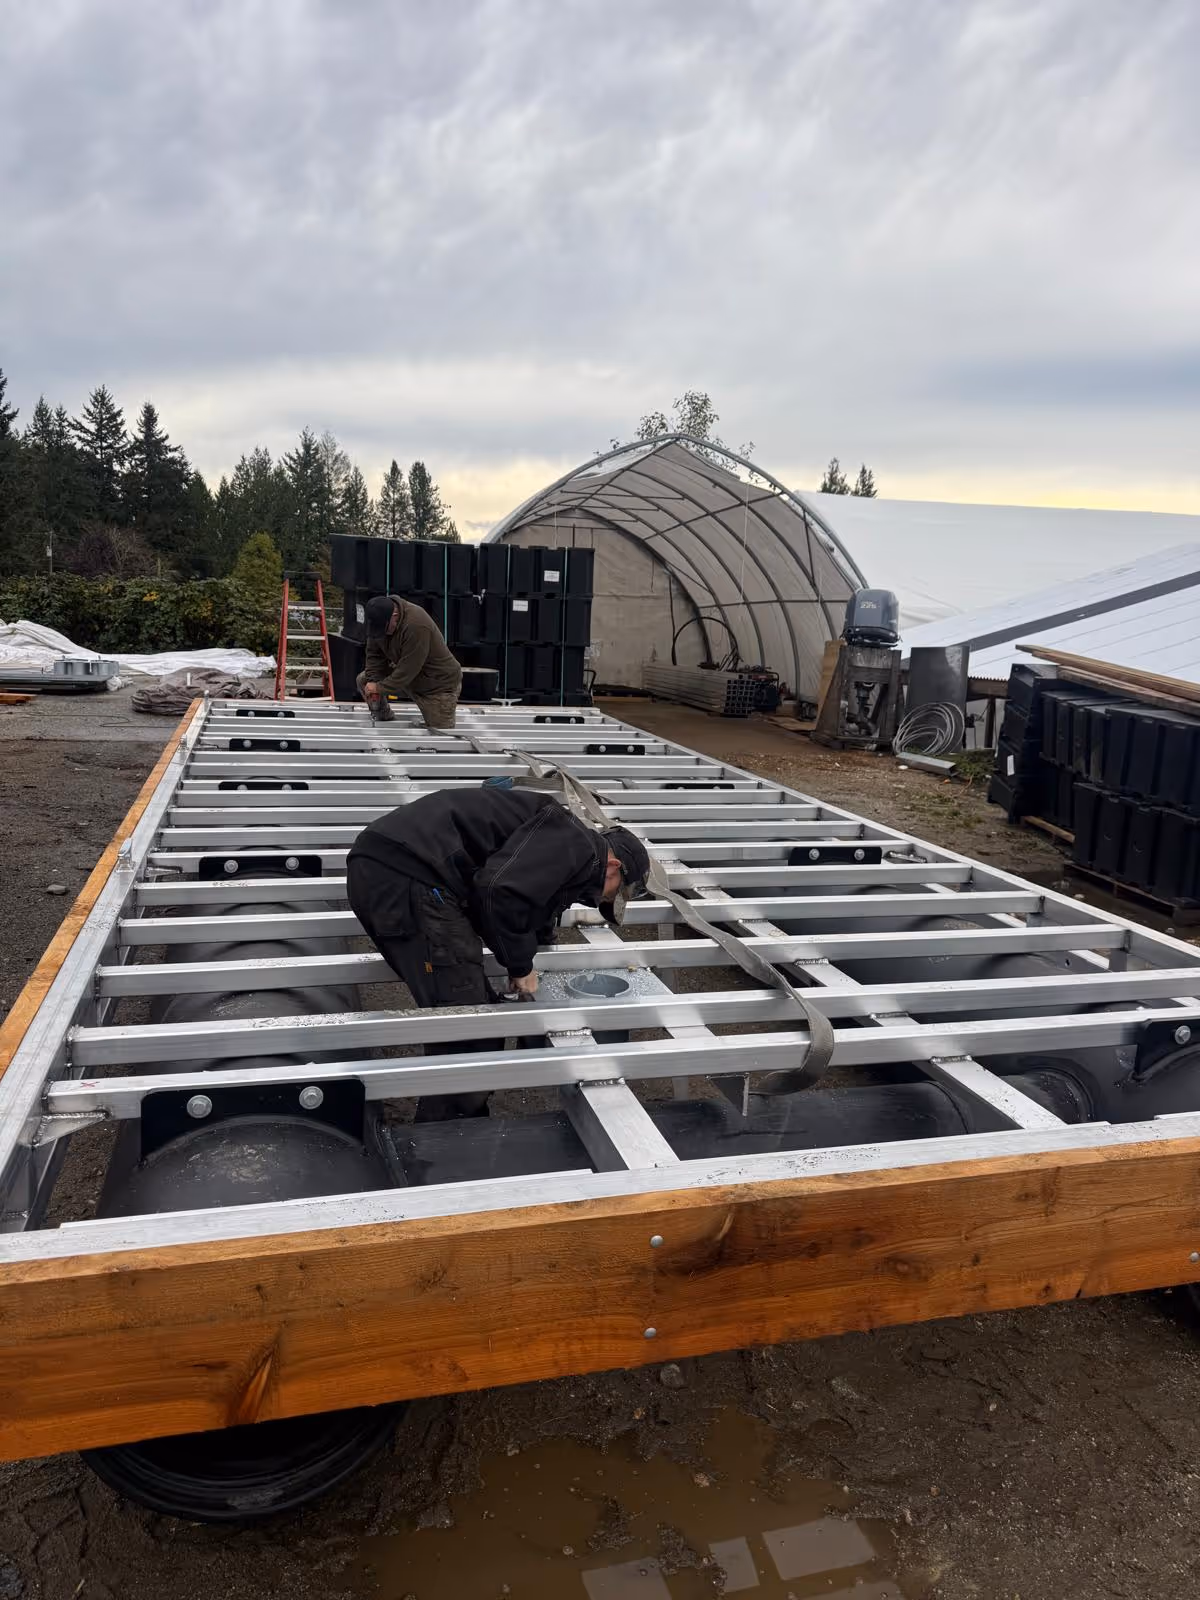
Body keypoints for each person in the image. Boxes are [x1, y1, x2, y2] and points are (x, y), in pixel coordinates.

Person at [347, 785, 651, 1121]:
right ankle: (445, 1140)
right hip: (408, 875)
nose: (601, 901)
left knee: (473, 1012)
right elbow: (498, 892)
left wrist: (532, 950)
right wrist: (520, 966)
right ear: (612, 867)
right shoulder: (576, 845)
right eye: (612, 893)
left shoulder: (564, 845)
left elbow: (531, 901)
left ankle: (454, 1119)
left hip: (394, 867)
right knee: (472, 1025)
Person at [356, 593, 462, 729]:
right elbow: (374, 655)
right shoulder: (379, 621)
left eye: (384, 629)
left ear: (395, 616)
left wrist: (379, 687)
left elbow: (408, 669)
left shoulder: (417, 625)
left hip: (437, 683)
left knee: (441, 730)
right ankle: (382, 714)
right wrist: (372, 682)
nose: (381, 633)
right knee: (364, 680)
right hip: (410, 677)